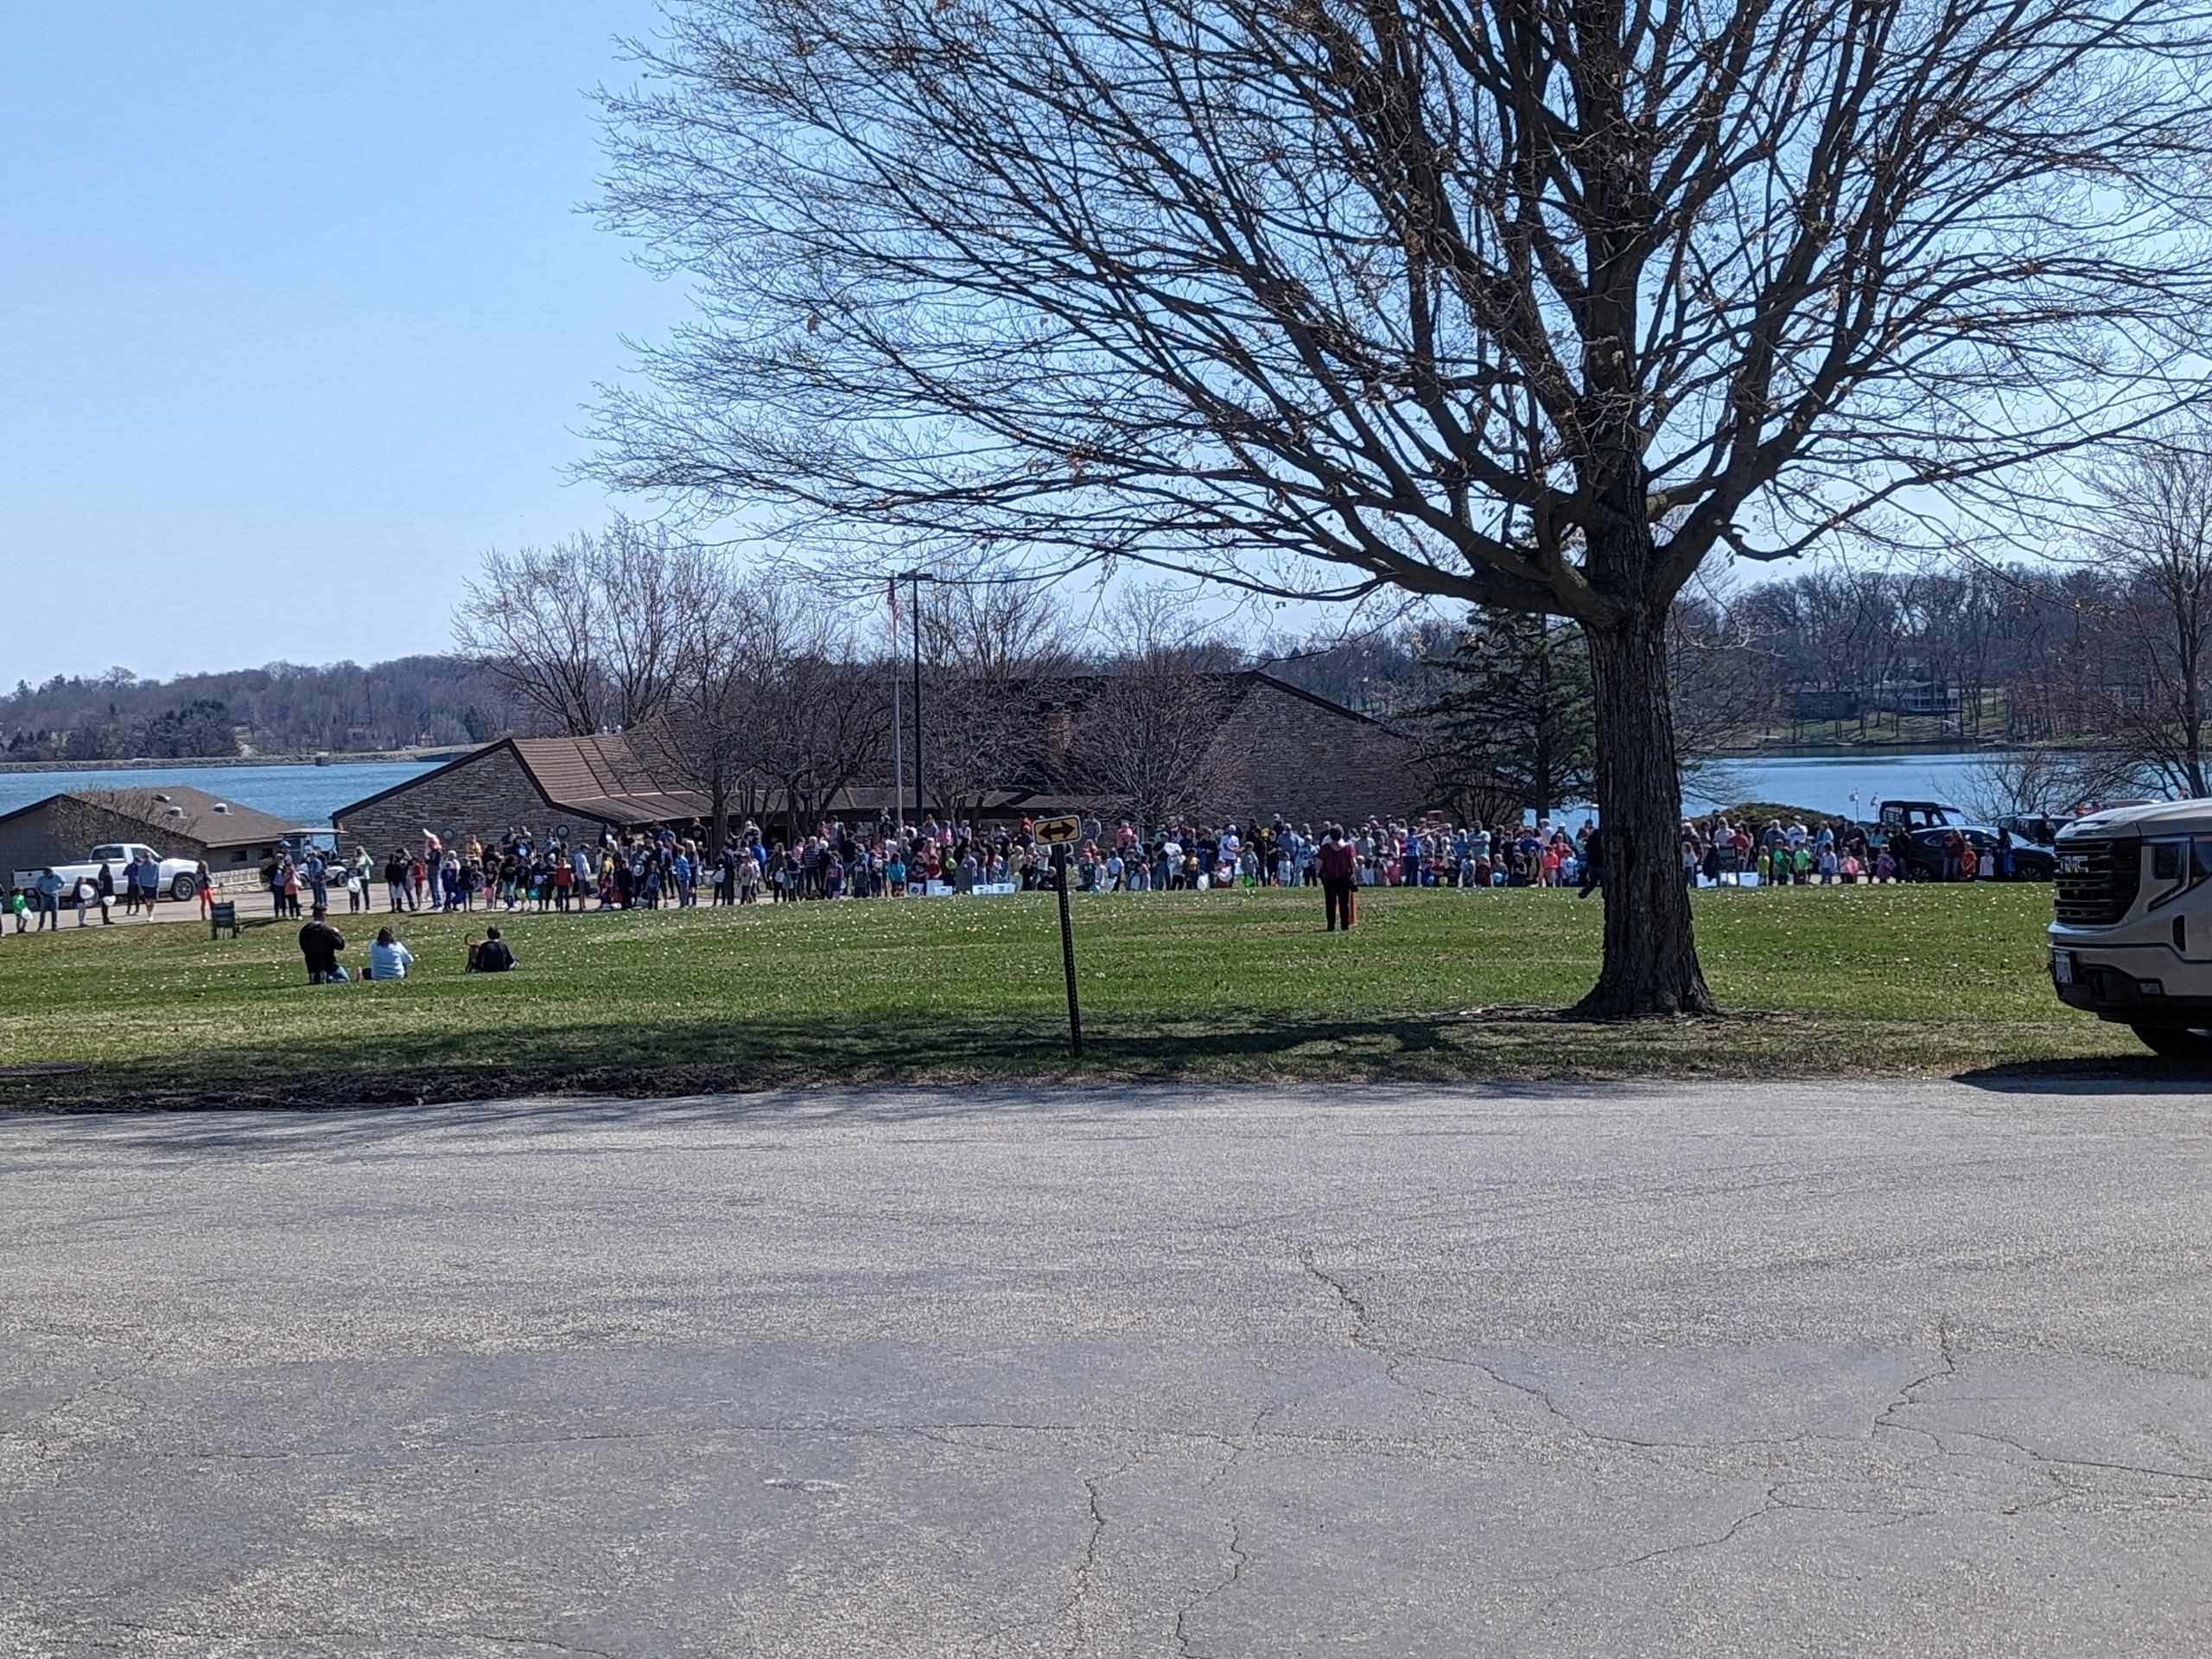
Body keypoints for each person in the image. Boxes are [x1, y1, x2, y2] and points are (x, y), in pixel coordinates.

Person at [1317, 825, 1357, 931]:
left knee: (1330, 902)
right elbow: (1354, 864)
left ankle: (1331, 925)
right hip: (1344, 878)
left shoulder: (1325, 848)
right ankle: (1345, 925)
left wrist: (1319, 874)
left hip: (1329, 879)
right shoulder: (1348, 848)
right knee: (1344, 902)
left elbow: (1319, 864)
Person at [298, 905, 348, 984]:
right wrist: (337, 933)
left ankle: (317, 978)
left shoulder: (304, 930)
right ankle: (328, 978)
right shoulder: (326, 930)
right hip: (329, 965)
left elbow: (302, 946)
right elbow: (340, 945)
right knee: (345, 980)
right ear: (323, 915)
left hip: (312, 965)